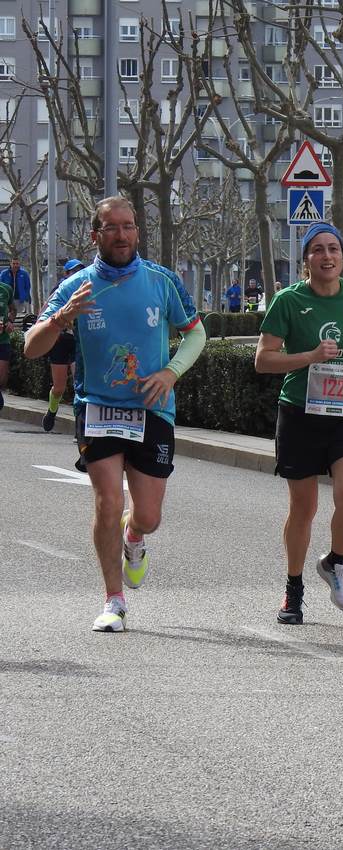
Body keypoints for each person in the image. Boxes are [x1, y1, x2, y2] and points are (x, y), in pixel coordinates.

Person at [23, 196, 206, 633]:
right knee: (109, 502)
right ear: (95, 235)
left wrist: (171, 370)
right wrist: (60, 320)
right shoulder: (77, 286)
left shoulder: (161, 281)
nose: (121, 235)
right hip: (98, 408)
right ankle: (113, 600)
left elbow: (196, 333)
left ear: (137, 232)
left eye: (128, 226)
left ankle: (135, 537)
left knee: (148, 515)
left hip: (153, 408)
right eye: (112, 228)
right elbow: (32, 346)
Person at [254, 222, 343, 625]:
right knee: (303, 508)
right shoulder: (288, 301)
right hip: (301, 412)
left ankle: (335, 562)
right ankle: (293, 591)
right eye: (318, 250)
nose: (327, 257)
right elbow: (263, 359)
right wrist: (308, 356)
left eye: (334, 250)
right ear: (305, 260)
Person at [41, 259, 86, 432]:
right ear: (66, 274)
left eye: (79, 270)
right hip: (60, 341)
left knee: (78, 384)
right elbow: (45, 311)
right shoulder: (60, 290)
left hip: (78, 342)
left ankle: (79, 427)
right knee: (59, 387)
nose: (77, 274)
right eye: (73, 271)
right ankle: (52, 411)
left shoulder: (88, 289)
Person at [0, 259, 17, 411]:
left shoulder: (6, 289)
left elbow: (13, 309)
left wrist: (10, 322)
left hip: (3, 339)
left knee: (2, 378)